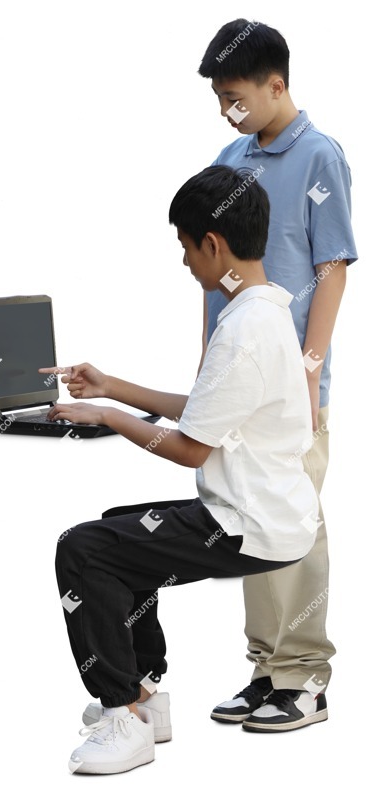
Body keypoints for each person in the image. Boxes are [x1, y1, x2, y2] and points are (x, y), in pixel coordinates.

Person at [39, 165, 319, 774]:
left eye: (187, 248)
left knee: (84, 550)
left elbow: (190, 448)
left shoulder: (242, 330)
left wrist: (106, 415)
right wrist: (111, 385)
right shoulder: (266, 313)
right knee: (121, 527)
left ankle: (121, 713)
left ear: (213, 245)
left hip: (246, 523)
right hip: (266, 511)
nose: (187, 263)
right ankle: (144, 696)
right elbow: (205, 409)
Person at [197, 18, 358, 731]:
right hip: (236, 382)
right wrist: (206, 368)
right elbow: (214, 275)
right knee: (248, 524)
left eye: (234, 95)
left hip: (289, 387)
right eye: (218, 99)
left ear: (275, 83)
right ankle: (266, 668)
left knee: (295, 527)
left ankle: (304, 678)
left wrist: (307, 371)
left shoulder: (319, 155)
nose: (226, 111)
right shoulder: (230, 157)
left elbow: (331, 269)